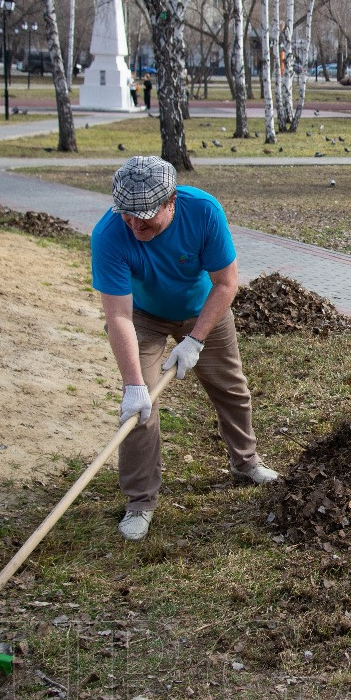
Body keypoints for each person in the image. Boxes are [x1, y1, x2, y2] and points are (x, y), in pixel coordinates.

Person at [91, 156, 278, 540]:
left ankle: (245, 462)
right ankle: (140, 501)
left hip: (203, 309)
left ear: (171, 201)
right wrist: (134, 384)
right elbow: (119, 317)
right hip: (143, 316)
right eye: (127, 216)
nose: (135, 225)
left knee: (231, 388)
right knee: (139, 408)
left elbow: (226, 283)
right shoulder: (108, 235)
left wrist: (195, 340)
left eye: (145, 217)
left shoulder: (203, 212)